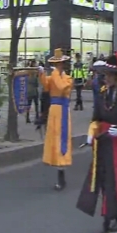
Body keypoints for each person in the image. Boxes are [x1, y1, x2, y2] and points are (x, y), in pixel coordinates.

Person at [76, 54, 117, 233]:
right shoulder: (101, 95)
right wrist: (91, 132)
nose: (106, 77)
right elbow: (95, 119)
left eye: (110, 74)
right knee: (101, 180)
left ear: (116, 77)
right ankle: (114, 217)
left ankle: (107, 223)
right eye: (105, 74)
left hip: (116, 144)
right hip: (101, 143)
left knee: (114, 181)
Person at [38, 48, 73, 191]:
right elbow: (46, 86)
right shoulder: (54, 76)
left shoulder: (67, 78)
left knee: (61, 140)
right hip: (53, 110)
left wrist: (53, 73)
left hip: (62, 111)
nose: (59, 66)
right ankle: (58, 170)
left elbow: (61, 86)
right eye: (57, 64)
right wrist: (41, 74)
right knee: (54, 139)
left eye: (60, 63)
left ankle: (61, 176)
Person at [26, 60, 39, 124]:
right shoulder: (33, 72)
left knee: (29, 104)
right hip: (33, 91)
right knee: (36, 104)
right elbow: (36, 82)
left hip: (29, 91)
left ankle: (27, 117)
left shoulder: (28, 72)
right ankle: (36, 117)